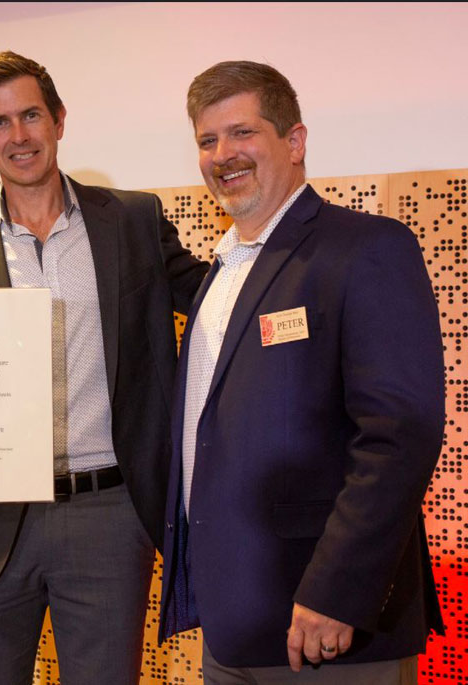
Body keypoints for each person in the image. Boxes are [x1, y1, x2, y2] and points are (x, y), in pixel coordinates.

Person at [0, 51, 208, 685]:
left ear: (59, 120)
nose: (18, 136)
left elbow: (213, 301)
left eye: (30, 116)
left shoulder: (132, 219)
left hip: (106, 514)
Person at [159, 61, 445, 683]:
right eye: (207, 141)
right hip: (233, 627)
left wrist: (337, 593)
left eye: (242, 133)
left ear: (294, 141)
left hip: (325, 628)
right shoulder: (220, 272)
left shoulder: (368, 248)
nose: (222, 154)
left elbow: (401, 434)